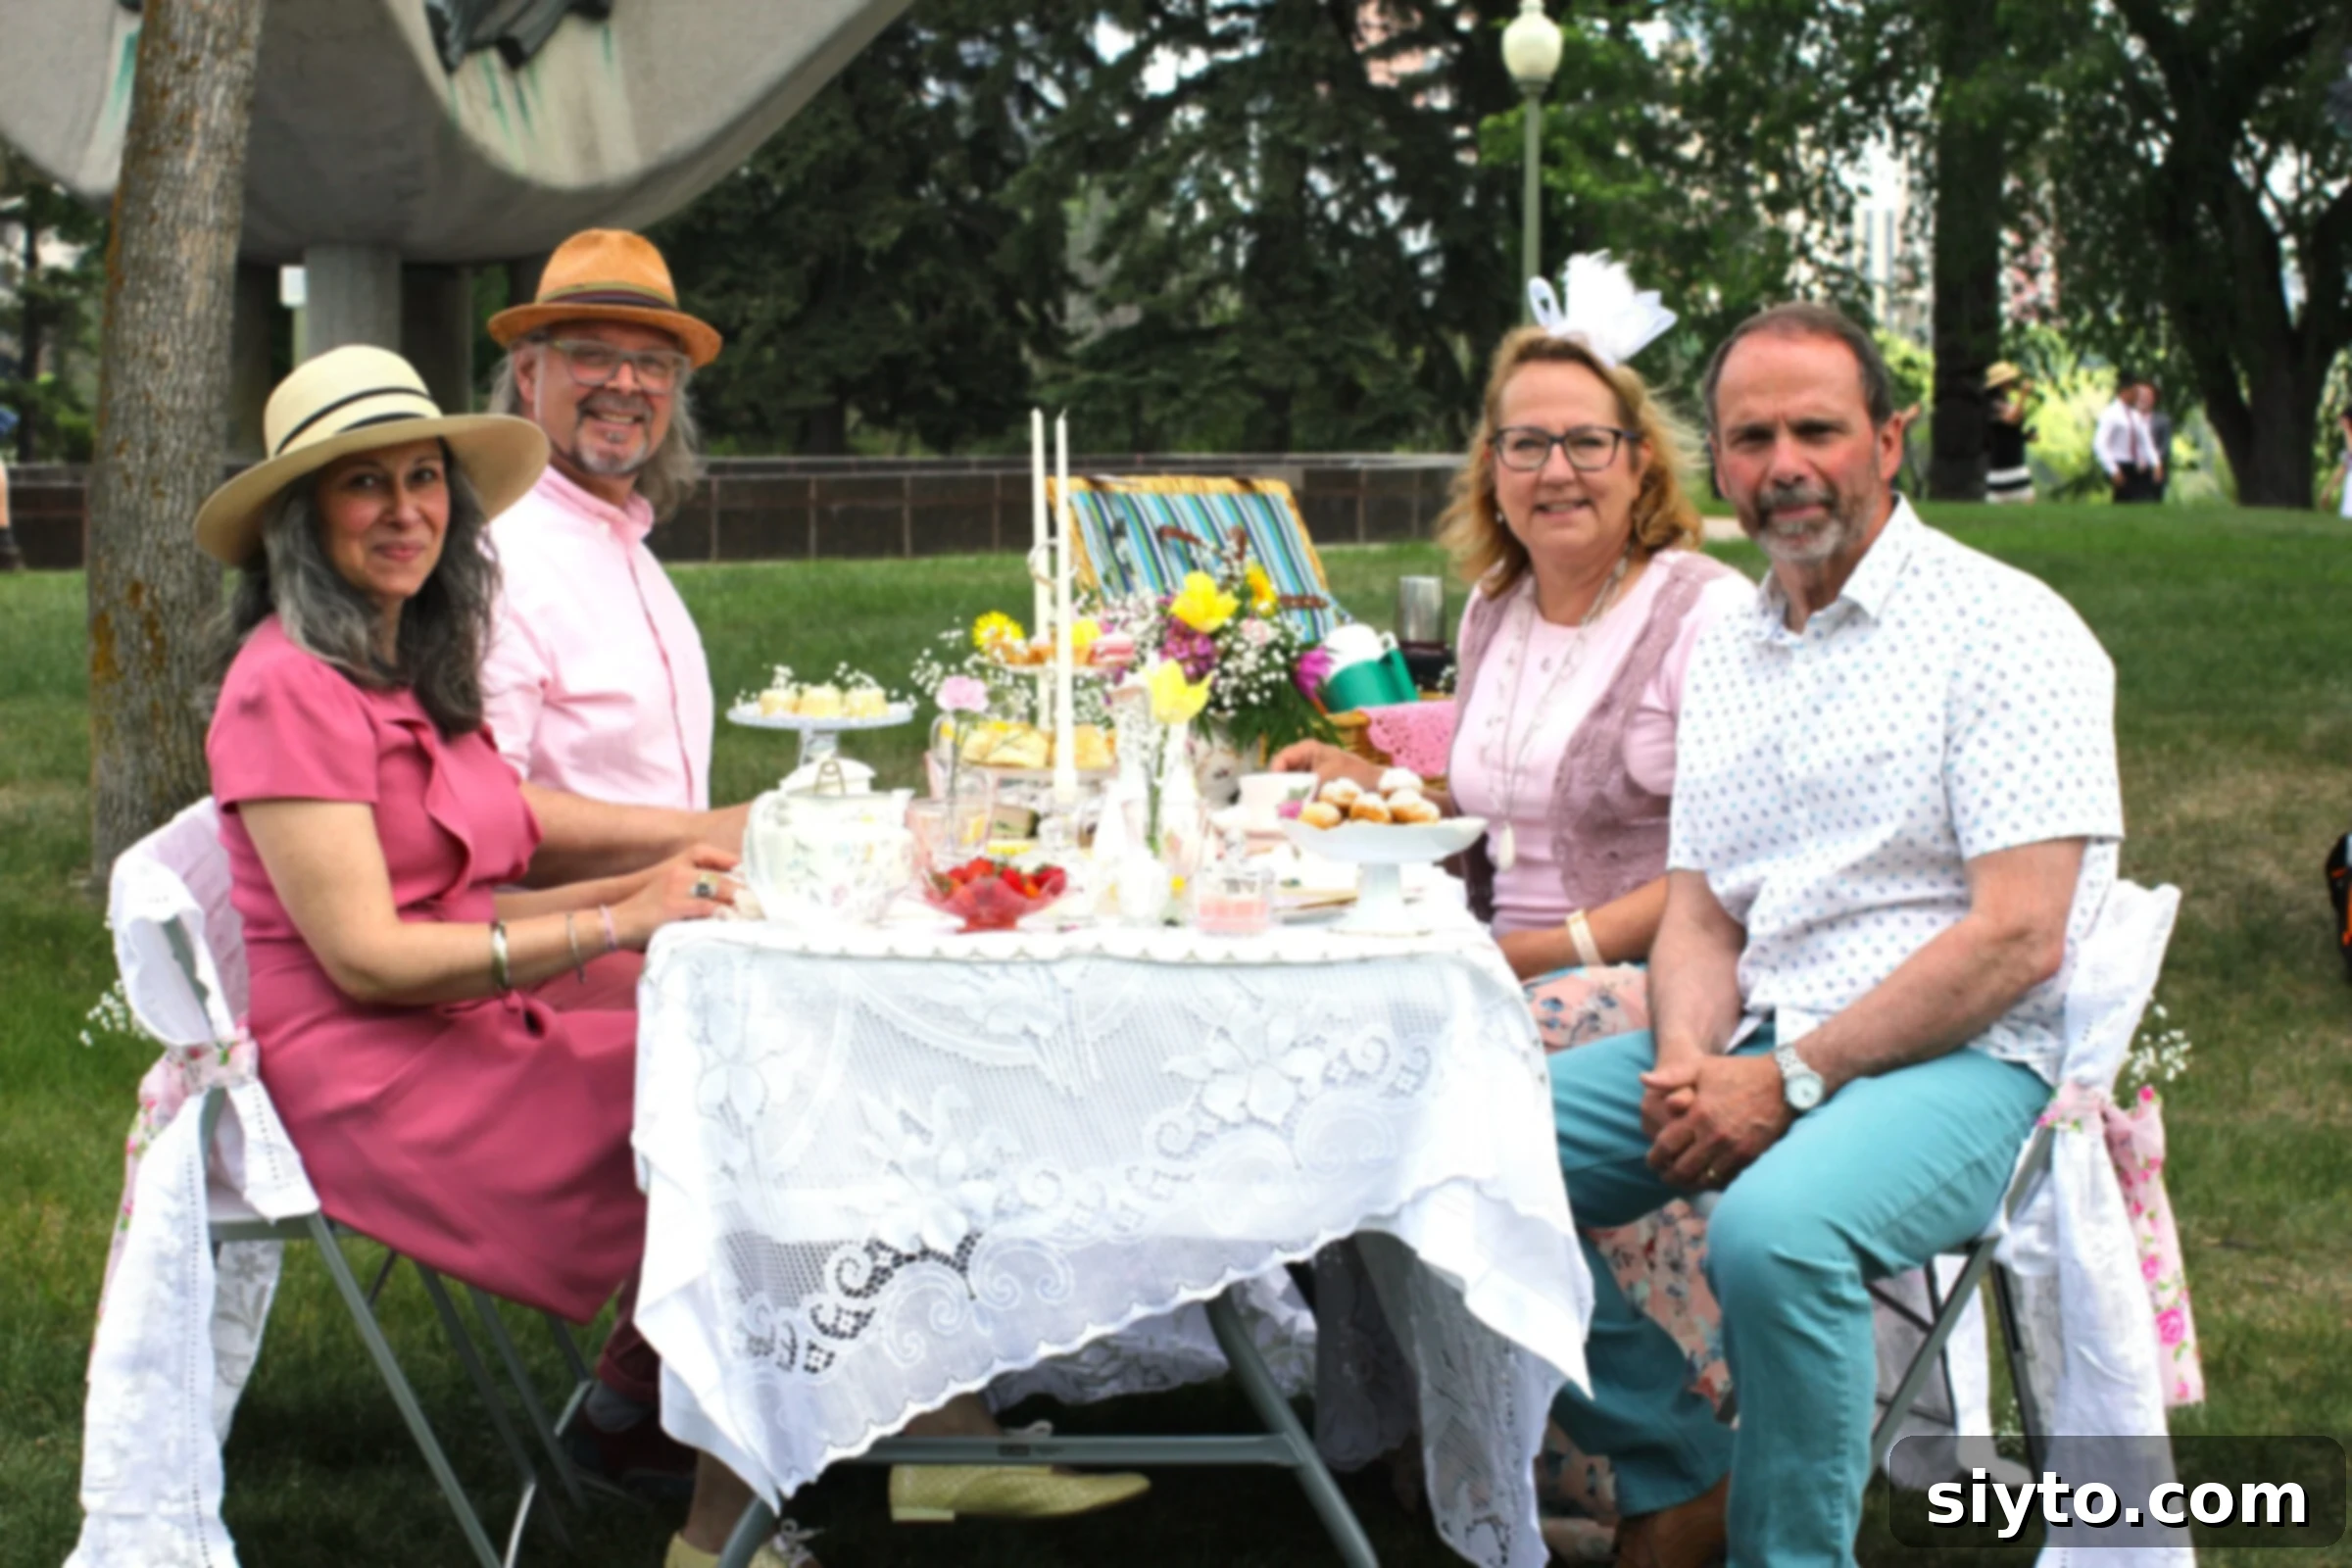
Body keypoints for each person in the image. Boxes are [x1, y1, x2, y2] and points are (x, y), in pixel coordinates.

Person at [200, 347, 1142, 1568]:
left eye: (424, 478)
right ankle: (732, 1527)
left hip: (467, 1016)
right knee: (756, 1105)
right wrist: (618, 919)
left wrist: (706, 836)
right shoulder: (287, 687)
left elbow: (518, 827)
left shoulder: (397, 660)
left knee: (799, 1031)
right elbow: (373, 959)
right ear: (300, 518)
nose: (405, 511)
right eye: (362, 486)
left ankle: (925, 1428)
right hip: (377, 1074)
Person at [1546, 302, 2121, 1566]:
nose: (1784, 465)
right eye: (1752, 438)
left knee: (1774, 1229)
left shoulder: (2009, 630)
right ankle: (1674, 1466)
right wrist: (1689, 1061)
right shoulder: (1734, 646)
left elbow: (2018, 941)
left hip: (1970, 1064)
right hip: (1762, 1026)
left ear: (1890, 441)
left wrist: (1789, 1077)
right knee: (1462, 1154)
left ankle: (1789, 1552)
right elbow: (1699, 903)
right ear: (1719, 461)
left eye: (1818, 428)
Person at [1272, 261, 1750, 1554]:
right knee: (1328, 1069)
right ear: (1491, 470)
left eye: (1585, 442)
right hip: (1487, 957)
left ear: (1641, 465)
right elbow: (1491, 791)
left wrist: (1535, 951)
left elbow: (1734, 860)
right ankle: (1473, 1434)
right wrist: (1368, 780)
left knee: (1435, 1102)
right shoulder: (1495, 610)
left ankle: (1669, 1454)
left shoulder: (1704, 613)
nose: (1557, 471)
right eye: (1524, 443)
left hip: (1670, 970)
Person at [481, 227, 718, 815]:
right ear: (529, 375)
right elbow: (485, 813)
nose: (625, 384)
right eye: (593, 356)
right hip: (573, 911)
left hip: (680, 902)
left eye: (654, 364)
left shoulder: (627, 543)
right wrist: (701, 839)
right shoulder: (496, 560)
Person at [2094, 373, 2158, 502]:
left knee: (2142, 501)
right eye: (2134, 392)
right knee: (2123, 501)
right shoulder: (2111, 414)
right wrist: (2113, 469)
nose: (2137, 396)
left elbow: (2146, 441)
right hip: (2120, 464)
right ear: (2125, 392)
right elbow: (2100, 443)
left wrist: (2156, 462)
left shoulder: (2136, 416)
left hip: (2137, 465)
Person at [1982, 362, 2036, 504]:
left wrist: (2025, 437)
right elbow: (2011, 419)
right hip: (2001, 472)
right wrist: (2023, 396)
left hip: (2016, 466)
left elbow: (2008, 431)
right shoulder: (1992, 404)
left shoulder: (2005, 402)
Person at [2141, 379, 2174, 501]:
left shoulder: (2163, 421)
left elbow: (2165, 448)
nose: (2143, 399)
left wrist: (2150, 461)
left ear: (2154, 399)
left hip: (2153, 474)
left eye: (2147, 396)